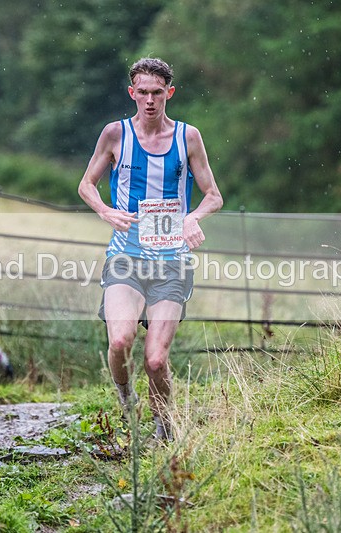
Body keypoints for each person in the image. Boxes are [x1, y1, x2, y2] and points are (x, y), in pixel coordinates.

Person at [78, 57, 223, 440]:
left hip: (171, 261)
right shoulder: (115, 134)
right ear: (132, 93)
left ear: (169, 93)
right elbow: (86, 185)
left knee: (156, 359)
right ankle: (127, 402)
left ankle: (164, 426)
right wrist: (106, 211)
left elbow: (213, 196)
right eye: (142, 92)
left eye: (157, 93)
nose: (149, 100)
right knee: (121, 341)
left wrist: (192, 218)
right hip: (125, 257)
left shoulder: (188, 137)